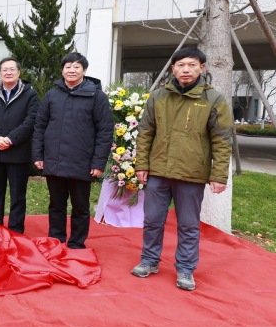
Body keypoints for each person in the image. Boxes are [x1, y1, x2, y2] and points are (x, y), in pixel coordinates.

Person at [131, 47, 233, 291]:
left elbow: (222, 139)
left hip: (191, 173)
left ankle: (186, 268)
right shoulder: (158, 96)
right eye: (180, 65)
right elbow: (145, 133)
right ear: (173, 68)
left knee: (188, 224)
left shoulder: (213, 99)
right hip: (158, 171)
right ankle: (149, 260)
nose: (186, 70)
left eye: (192, 65)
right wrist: (141, 164)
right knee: (152, 220)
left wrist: (218, 175)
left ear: (202, 68)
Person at [32, 52, 114, 249]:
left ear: (84, 70)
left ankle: (77, 243)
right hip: (54, 160)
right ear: (62, 70)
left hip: (82, 162)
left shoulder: (96, 96)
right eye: (67, 67)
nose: (71, 70)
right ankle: (56, 240)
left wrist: (98, 162)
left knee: (80, 206)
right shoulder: (52, 95)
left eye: (76, 67)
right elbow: (40, 126)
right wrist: (38, 155)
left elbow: (105, 131)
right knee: (56, 205)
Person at [0, 57, 39, 233]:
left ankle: (15, 229)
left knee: (18, 194)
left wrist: (11, 139)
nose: (8, 73)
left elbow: (31, 119)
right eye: (5, 70)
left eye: (12, 69)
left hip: (18, 152)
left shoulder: (30, 94)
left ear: (19, 72)